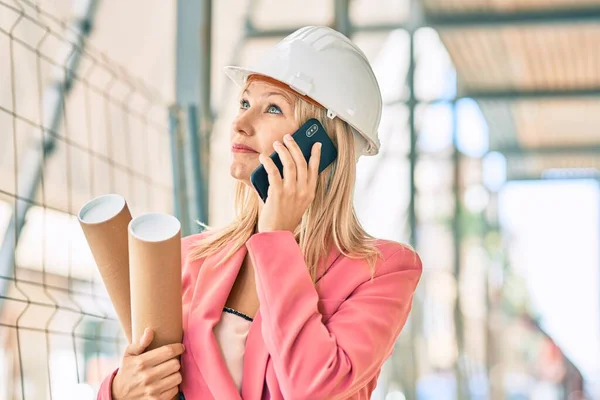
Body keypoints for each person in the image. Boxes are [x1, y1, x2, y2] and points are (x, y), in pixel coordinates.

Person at [98, 25, 422, 400]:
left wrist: (276, 240)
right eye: (244, 103)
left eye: (272, 107)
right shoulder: (190, 258)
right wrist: (120, 390)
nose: (240, 123)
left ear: (321, 143)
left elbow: (315, 387)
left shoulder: (382, 271)